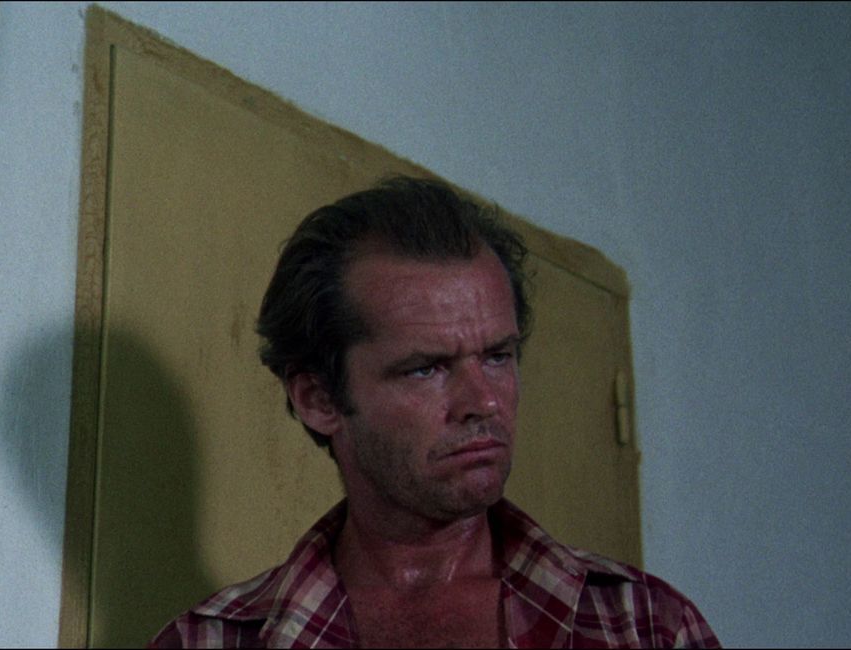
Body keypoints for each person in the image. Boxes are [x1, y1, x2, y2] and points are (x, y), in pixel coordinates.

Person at [151, 176, 720, 648]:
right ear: (318, 400)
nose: (484, 402)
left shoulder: (642, 626)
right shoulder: (209, 642)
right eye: (426, 368)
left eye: (498, 356)